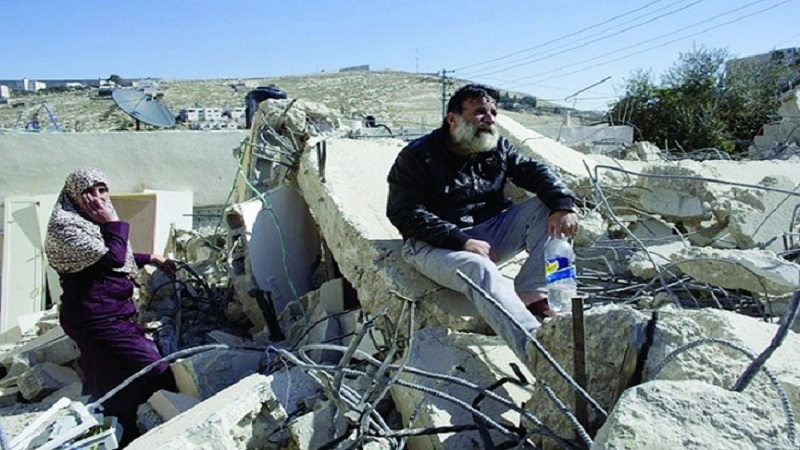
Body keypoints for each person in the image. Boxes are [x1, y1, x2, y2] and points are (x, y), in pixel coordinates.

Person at [386, 84, 579, 362]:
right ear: (452, 119)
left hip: (490, 232)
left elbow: (533, 170)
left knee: (548, 208)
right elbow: (404, 212)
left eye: (493, 113)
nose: (489, 119)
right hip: (434, 244)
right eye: (479, 112)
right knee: (479, 269)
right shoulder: (417, 156)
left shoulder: (495, 147)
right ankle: (537, 354)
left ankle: (532, 292)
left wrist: (562, 203)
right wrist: (461, 240)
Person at [44, 168, 177, 446]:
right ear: (73, 196)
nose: (98, 198)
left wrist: (151, 257)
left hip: (108, 314)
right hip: (96, 319)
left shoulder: (87, 223)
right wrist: (113, 221)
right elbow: (113, 258)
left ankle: (123, 435)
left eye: (102, 190)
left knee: (112, 385)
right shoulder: (65, 227)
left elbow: (108, 255)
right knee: (154, 370)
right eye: (88, 192)